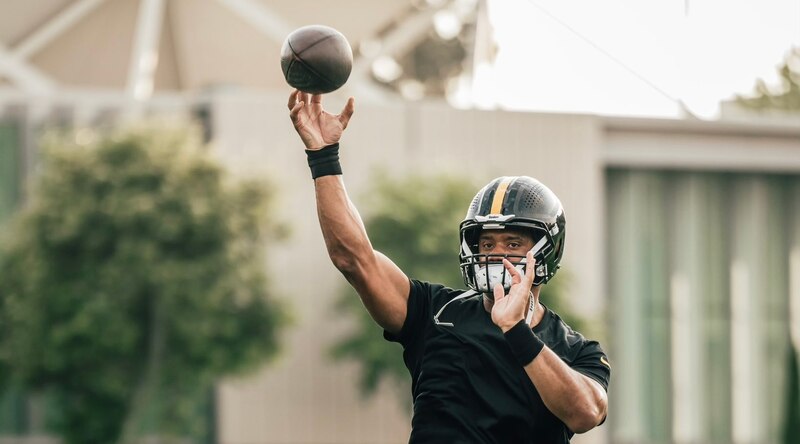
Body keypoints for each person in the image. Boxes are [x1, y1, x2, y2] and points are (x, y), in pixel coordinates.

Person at [287, 90, 610, 443]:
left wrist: (516, 330)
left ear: (548, 251)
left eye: (513, 243)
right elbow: (354, 258)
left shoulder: (577, 350)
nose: (495, 255)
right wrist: (323, 157)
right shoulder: (436, 311)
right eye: (486, 244)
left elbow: (585, 414)